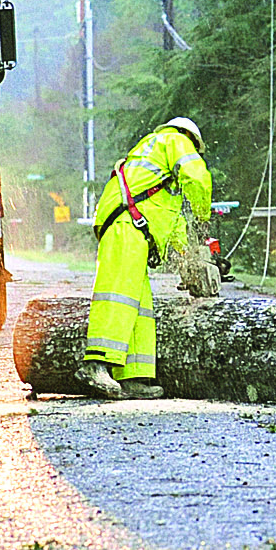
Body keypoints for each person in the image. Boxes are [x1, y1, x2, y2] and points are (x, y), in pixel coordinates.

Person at [79, 116, 215, 399]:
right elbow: (198, 177)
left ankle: (133, 377)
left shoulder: (153, 158)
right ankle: (95, 364)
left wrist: (186, 257)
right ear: (191, 139)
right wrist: (204, 219)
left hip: (131, 226)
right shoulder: (175, 140)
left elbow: (172, 220)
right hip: (126, 224)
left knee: (139, 306)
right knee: (117, 292)